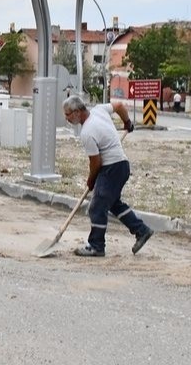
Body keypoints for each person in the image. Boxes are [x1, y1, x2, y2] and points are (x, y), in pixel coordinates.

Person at [62, 95, 154, 257]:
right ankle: (141, 230)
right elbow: (119, 106)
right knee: (113, 203)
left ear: (77, 112)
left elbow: (96, 163)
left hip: (112, 168)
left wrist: (91, 181)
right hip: (121, 166)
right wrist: (127, 122)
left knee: (97, 206)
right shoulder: (99, 110)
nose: (66, 118)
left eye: (68, 114)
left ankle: (96, 246)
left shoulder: (87, 133)